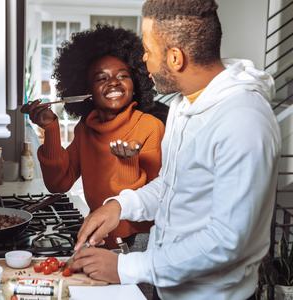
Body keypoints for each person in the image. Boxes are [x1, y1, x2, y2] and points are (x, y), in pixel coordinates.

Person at [72, 1, 282, 299]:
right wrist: (120, 206)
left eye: (148, 50)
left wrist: (126, 267)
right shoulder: (186, 104)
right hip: (170, 288)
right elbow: (176, 186)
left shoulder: (243, 121)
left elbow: (226, 241)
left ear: (175, 57)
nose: (143, 60)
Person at [22, 25, 167, 249]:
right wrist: (51, 129)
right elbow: (58, 184)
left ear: (136, 83)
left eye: (123, 76)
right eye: (102, 78)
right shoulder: (85, 129)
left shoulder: (150, 127)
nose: (114, 82)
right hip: (99, 236)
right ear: (86, 90)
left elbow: (156, 199)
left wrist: (127, 162)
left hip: (140, 241)